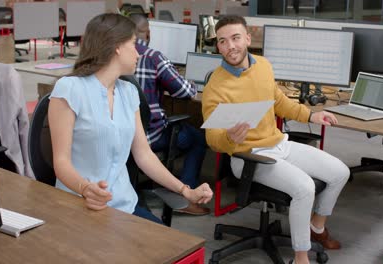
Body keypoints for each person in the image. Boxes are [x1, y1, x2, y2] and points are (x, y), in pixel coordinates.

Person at [201, 15, 349, 264]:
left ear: (248, 38)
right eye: (223, 41)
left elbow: (279, 102)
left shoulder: (263, 65)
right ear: (218, 46)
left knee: (340, 172)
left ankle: (317, 228)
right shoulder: (215, 86)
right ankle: (301, 257)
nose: (230, 46)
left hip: (278, 144)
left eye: (236, 38)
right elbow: (213, 139)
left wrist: (312, 115)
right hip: (246, 156)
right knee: (305, 188)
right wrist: (228, 137)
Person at [48, 13, 213, 224]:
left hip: (124, 204)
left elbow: (144, 155)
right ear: (117, 46)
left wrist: (185, 190)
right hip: (80, 205)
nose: (138, 53)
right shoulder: (69, 89)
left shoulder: (129, 91)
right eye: (134, 44)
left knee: (165, 248)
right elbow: (61, 161)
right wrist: (85, 188)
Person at [128, 14, 210, 215]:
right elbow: (186, 92)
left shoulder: (114, 57)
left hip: (124, 136)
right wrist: (187, 80)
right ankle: (186, 198)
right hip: (150, 138)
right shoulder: (153, 56)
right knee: (199, 138)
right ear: (148, 32)